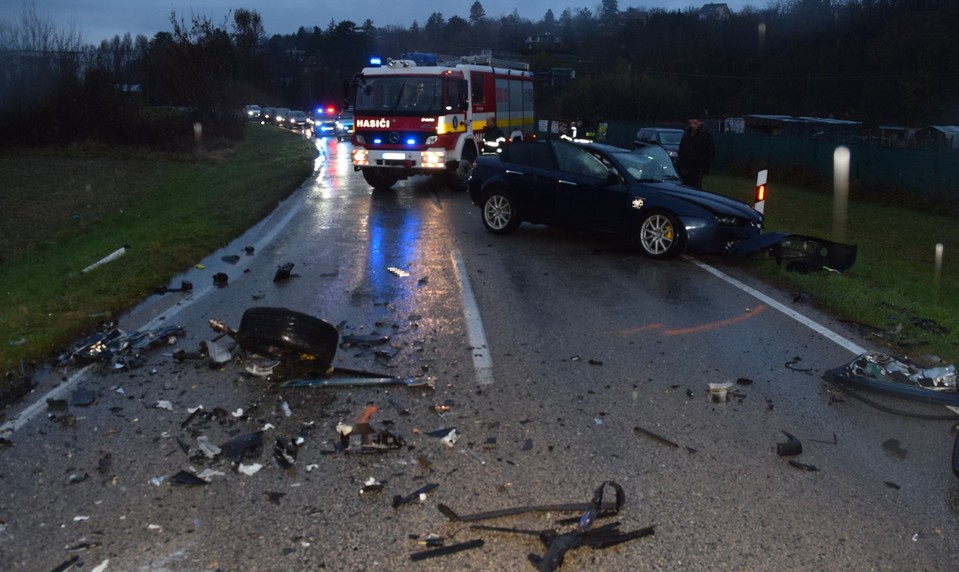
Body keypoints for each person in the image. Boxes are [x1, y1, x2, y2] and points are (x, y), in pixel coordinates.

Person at [677, 114, 715, 188]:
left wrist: (701, 163)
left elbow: (709, 152)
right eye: (691, 123)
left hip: (697, 168)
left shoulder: (706, 137)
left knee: (695, 187)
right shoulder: (686, 136)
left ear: (700, 123)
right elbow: (682, 148)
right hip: (684, 167)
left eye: (695, 123)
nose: (693, 125)